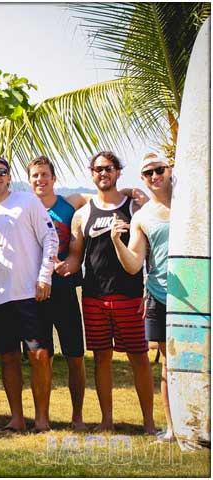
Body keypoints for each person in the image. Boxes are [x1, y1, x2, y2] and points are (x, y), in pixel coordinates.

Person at [60, 151, 156, 434]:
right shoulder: (83, 214)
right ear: (92, 173)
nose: (104, 173)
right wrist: (65, 266)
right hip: (94, 297)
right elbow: (77, 255)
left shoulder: (134, 206)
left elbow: (147, 243)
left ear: (117, 172)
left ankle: (149, 423)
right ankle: (106, 420)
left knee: (139, 357)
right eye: (98, 169)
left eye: (109, 168)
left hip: (130, 295)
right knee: (101, 358)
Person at [0, 156, 58, 433]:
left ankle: (41, 420)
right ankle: (16, 419)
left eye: (1, 171)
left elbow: (50, 238)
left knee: (39, 355)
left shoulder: (27, 201)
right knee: (8, 358)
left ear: (9, 177)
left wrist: (44, 277)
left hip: (31, 293)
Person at [109, 153, 173, 440]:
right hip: (160, 295)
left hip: (199, 296)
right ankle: (172, 428)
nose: (154, 176)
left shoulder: (195, 203)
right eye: (148, 173)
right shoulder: (142, 217)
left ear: (170, 170)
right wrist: (116, 242)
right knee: (169, 363)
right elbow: (134, 263)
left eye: (159, 170)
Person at [26, 155, 87, 431]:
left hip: (64, 291)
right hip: (36, 293)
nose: (40, 179)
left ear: (53, 178)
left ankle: (77, 417)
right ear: (29, 181)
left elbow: (93, 198)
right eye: (35, 176)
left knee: (75, 356)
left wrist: (126, 192)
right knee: (40, 356)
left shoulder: (68, 205)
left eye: (44, 175)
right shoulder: (24, 208)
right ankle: (42, 418)